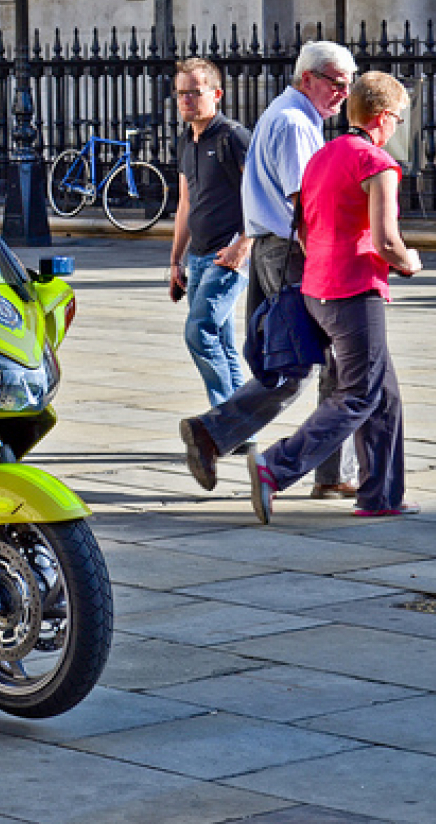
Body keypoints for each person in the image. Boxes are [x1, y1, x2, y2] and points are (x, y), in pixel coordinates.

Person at [180, 40, 360, 497]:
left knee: (321, 363)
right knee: (302, 365)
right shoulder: (296, 123)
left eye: (350, 83)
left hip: (274, 249)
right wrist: (331, 260)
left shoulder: (287, 114)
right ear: (308, 79)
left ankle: (333, 473)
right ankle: (214, 431)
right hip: (292, 253)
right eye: (337, 83)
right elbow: (307, 206)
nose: (344, 93)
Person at [247, 72, 422, 523]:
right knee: (360, 394)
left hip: (317, 289)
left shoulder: (322, 156)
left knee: (384, 395)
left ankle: (380, 496)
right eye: (399, 119)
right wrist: (411, 261)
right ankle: (276, 465)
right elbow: (386, 241)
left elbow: (302, 227)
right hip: (354, 289)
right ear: (383, 117)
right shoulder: (376, 163)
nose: (399, 127)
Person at [169, 57, 252, 407]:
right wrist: (175, 260)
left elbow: (261, 195)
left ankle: (224, 422)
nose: (187, 100)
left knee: (198, 331)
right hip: (200, 258)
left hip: (229, 256)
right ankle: (243, 428)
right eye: (181, 93)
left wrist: (243, 245)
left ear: (216, 94)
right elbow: (185, 203)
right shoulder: (186, 140)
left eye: (195, 92)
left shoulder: (233, 137)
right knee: (221, 341)